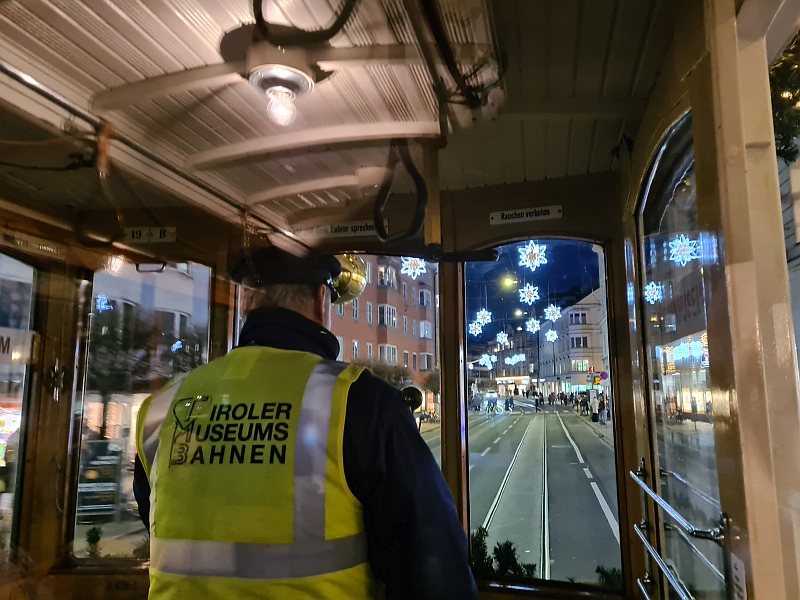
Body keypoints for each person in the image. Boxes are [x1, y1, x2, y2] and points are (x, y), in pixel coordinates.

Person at [132, 247, 477, 600]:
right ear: (320, 301)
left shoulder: (162, 406)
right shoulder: (360, 401)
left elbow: (158, 518)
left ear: (249, 304)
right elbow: (434, 566)